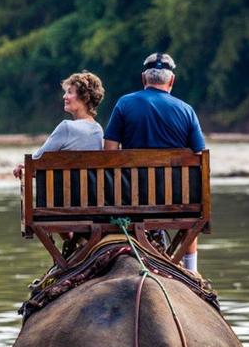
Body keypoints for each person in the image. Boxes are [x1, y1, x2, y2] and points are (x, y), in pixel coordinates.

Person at [104, 52, 205, 273]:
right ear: (171, 81)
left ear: (143, 78)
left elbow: (108, 153)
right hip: (178, 200)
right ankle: (193, 271)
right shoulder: (186, 110)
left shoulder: (124, 103)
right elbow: (200, 156)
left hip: (130, 198)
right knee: (192, 213)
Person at [13, 72, 104, 179]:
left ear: (85, 98)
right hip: (91, 194)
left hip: (63, 195)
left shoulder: (66, 127)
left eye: (69, 92)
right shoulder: (98, 130)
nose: (64, 96)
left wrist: (22, 165)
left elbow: (35, 162)